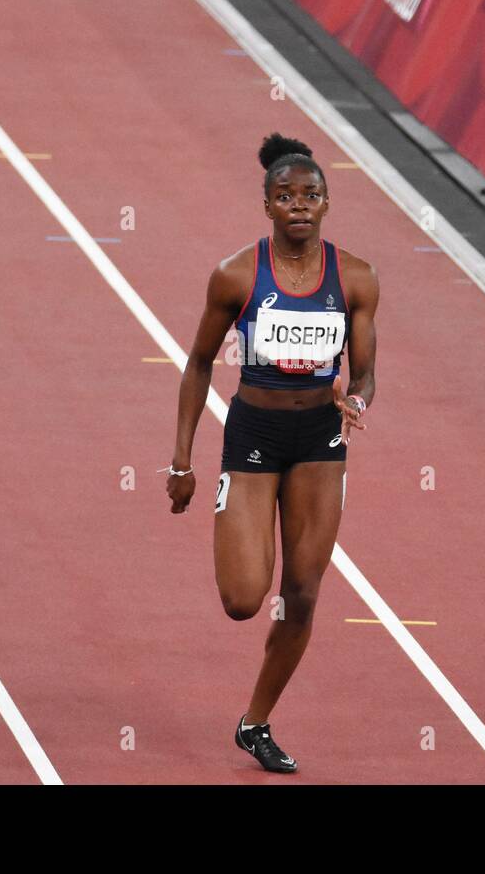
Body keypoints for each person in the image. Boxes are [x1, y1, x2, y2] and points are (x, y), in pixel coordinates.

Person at [164, 132, 379, 771]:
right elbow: (199, 362)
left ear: (327, 202)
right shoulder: (237, 274)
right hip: (254, 436)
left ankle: (255, 721)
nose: (299, 206)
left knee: (304, 593)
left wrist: (358, 403)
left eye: (311, 195)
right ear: (268, 207)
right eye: (285, 196)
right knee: (243, 599)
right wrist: (182, 462)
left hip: (321, 442)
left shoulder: (357, 279)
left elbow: (365, 374)